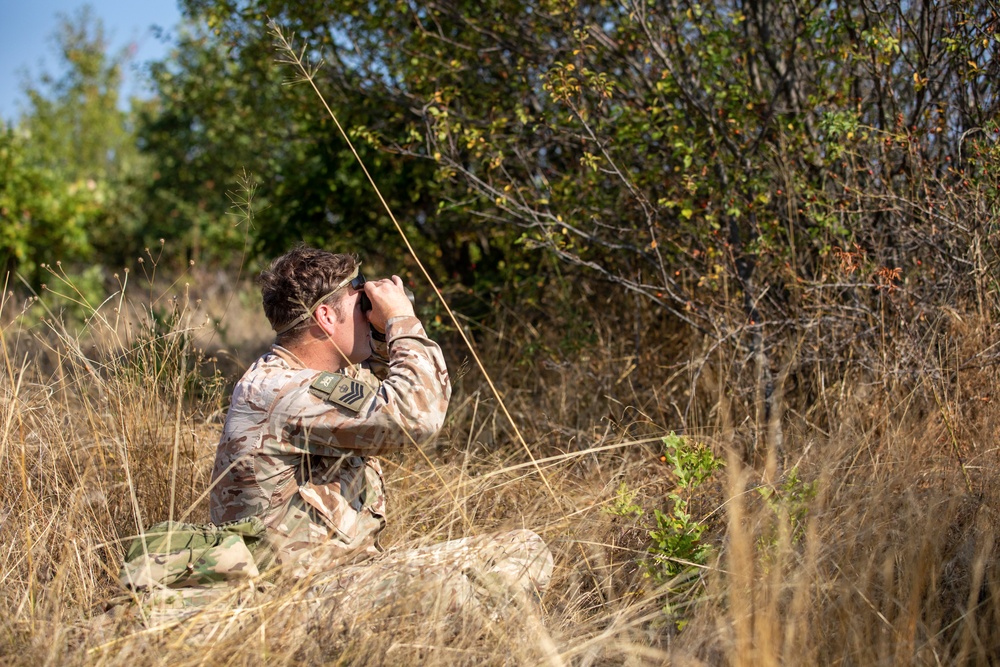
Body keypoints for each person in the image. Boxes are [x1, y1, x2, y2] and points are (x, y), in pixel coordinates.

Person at [209, 245, 552, 613]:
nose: (369, 313)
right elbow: (416, 416)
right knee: (453, 590)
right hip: (293, 598)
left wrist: (383, 328)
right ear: (325, 317)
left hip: (347, 576)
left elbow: (398, 387)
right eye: (361, 306)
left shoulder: (323, 374)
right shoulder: (279, 390)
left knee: (525, 549)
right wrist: (401, 318)